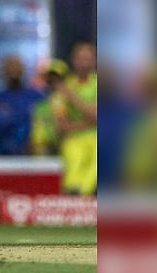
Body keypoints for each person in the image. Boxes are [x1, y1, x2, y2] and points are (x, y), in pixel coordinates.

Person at [55, 42, 98, 196]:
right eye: (80, 58)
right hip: (73, 138)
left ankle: (82, 196)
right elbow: (61, 126)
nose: (84, 63)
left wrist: (71, 96)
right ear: (73, 60)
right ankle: (73, 192)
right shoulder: (62, 88)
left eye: (88, 58)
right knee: (75, 157)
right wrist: (90, 122)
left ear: (94, 61)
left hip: (97, 137)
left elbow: (98, 115)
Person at [0, 55, 44, 155]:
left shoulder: (36, 97)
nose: (14, 70)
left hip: (32, 156)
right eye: (10, 67)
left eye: (17, 67)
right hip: (1, 156)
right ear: (3, 71)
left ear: (23, 70)